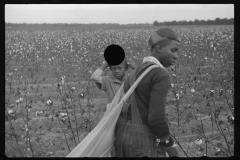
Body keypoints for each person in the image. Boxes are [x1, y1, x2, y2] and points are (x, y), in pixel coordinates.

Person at [114, 28, 180, 157]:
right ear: (159, 48)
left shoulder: (137, 70)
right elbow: (156, 118)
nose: (176, 56)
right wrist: (171, 147)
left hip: (122, 138)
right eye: (173, 50)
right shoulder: (160, 74)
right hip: (142, 144)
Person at [90, 47, 136, 157]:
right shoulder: (108, 81)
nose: (116, 71)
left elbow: (143, 77)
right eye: (113, 68)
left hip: (130, 117)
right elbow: (94, 77)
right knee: (115, 144)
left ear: (125, 69)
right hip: (114, 119)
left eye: (120, 68)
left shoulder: (130, 80)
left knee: (129, 144)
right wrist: (106, 63)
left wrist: (133, 66)